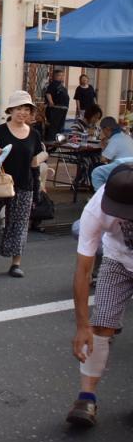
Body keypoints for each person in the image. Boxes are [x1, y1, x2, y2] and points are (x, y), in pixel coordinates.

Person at [66, 163, 133, 428]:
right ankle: (86, 397)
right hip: (117, 259)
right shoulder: (95, 208)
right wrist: (82, 326)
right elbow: (83, 270)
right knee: (101, 324)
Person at [0, 91, 48, 277]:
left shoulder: (34, 134)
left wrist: (38, 167)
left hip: (24, 185)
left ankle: (15, 263)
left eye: (26, 109)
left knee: (18, 226)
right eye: (19, 108)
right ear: (11, 110)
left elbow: (40, 156)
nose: (22, 112)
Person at [44, 69, 70, 140]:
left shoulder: (61, 85)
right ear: (55, 76)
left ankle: (57, 140)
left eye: (62, 75)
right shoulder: (53, 84)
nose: (61, 77)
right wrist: (51, 102)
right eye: (59, 75)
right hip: (56, 108)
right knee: (54, 126)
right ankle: (51, 141)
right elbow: (48, 93)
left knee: (60, 126)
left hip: (63, 108)